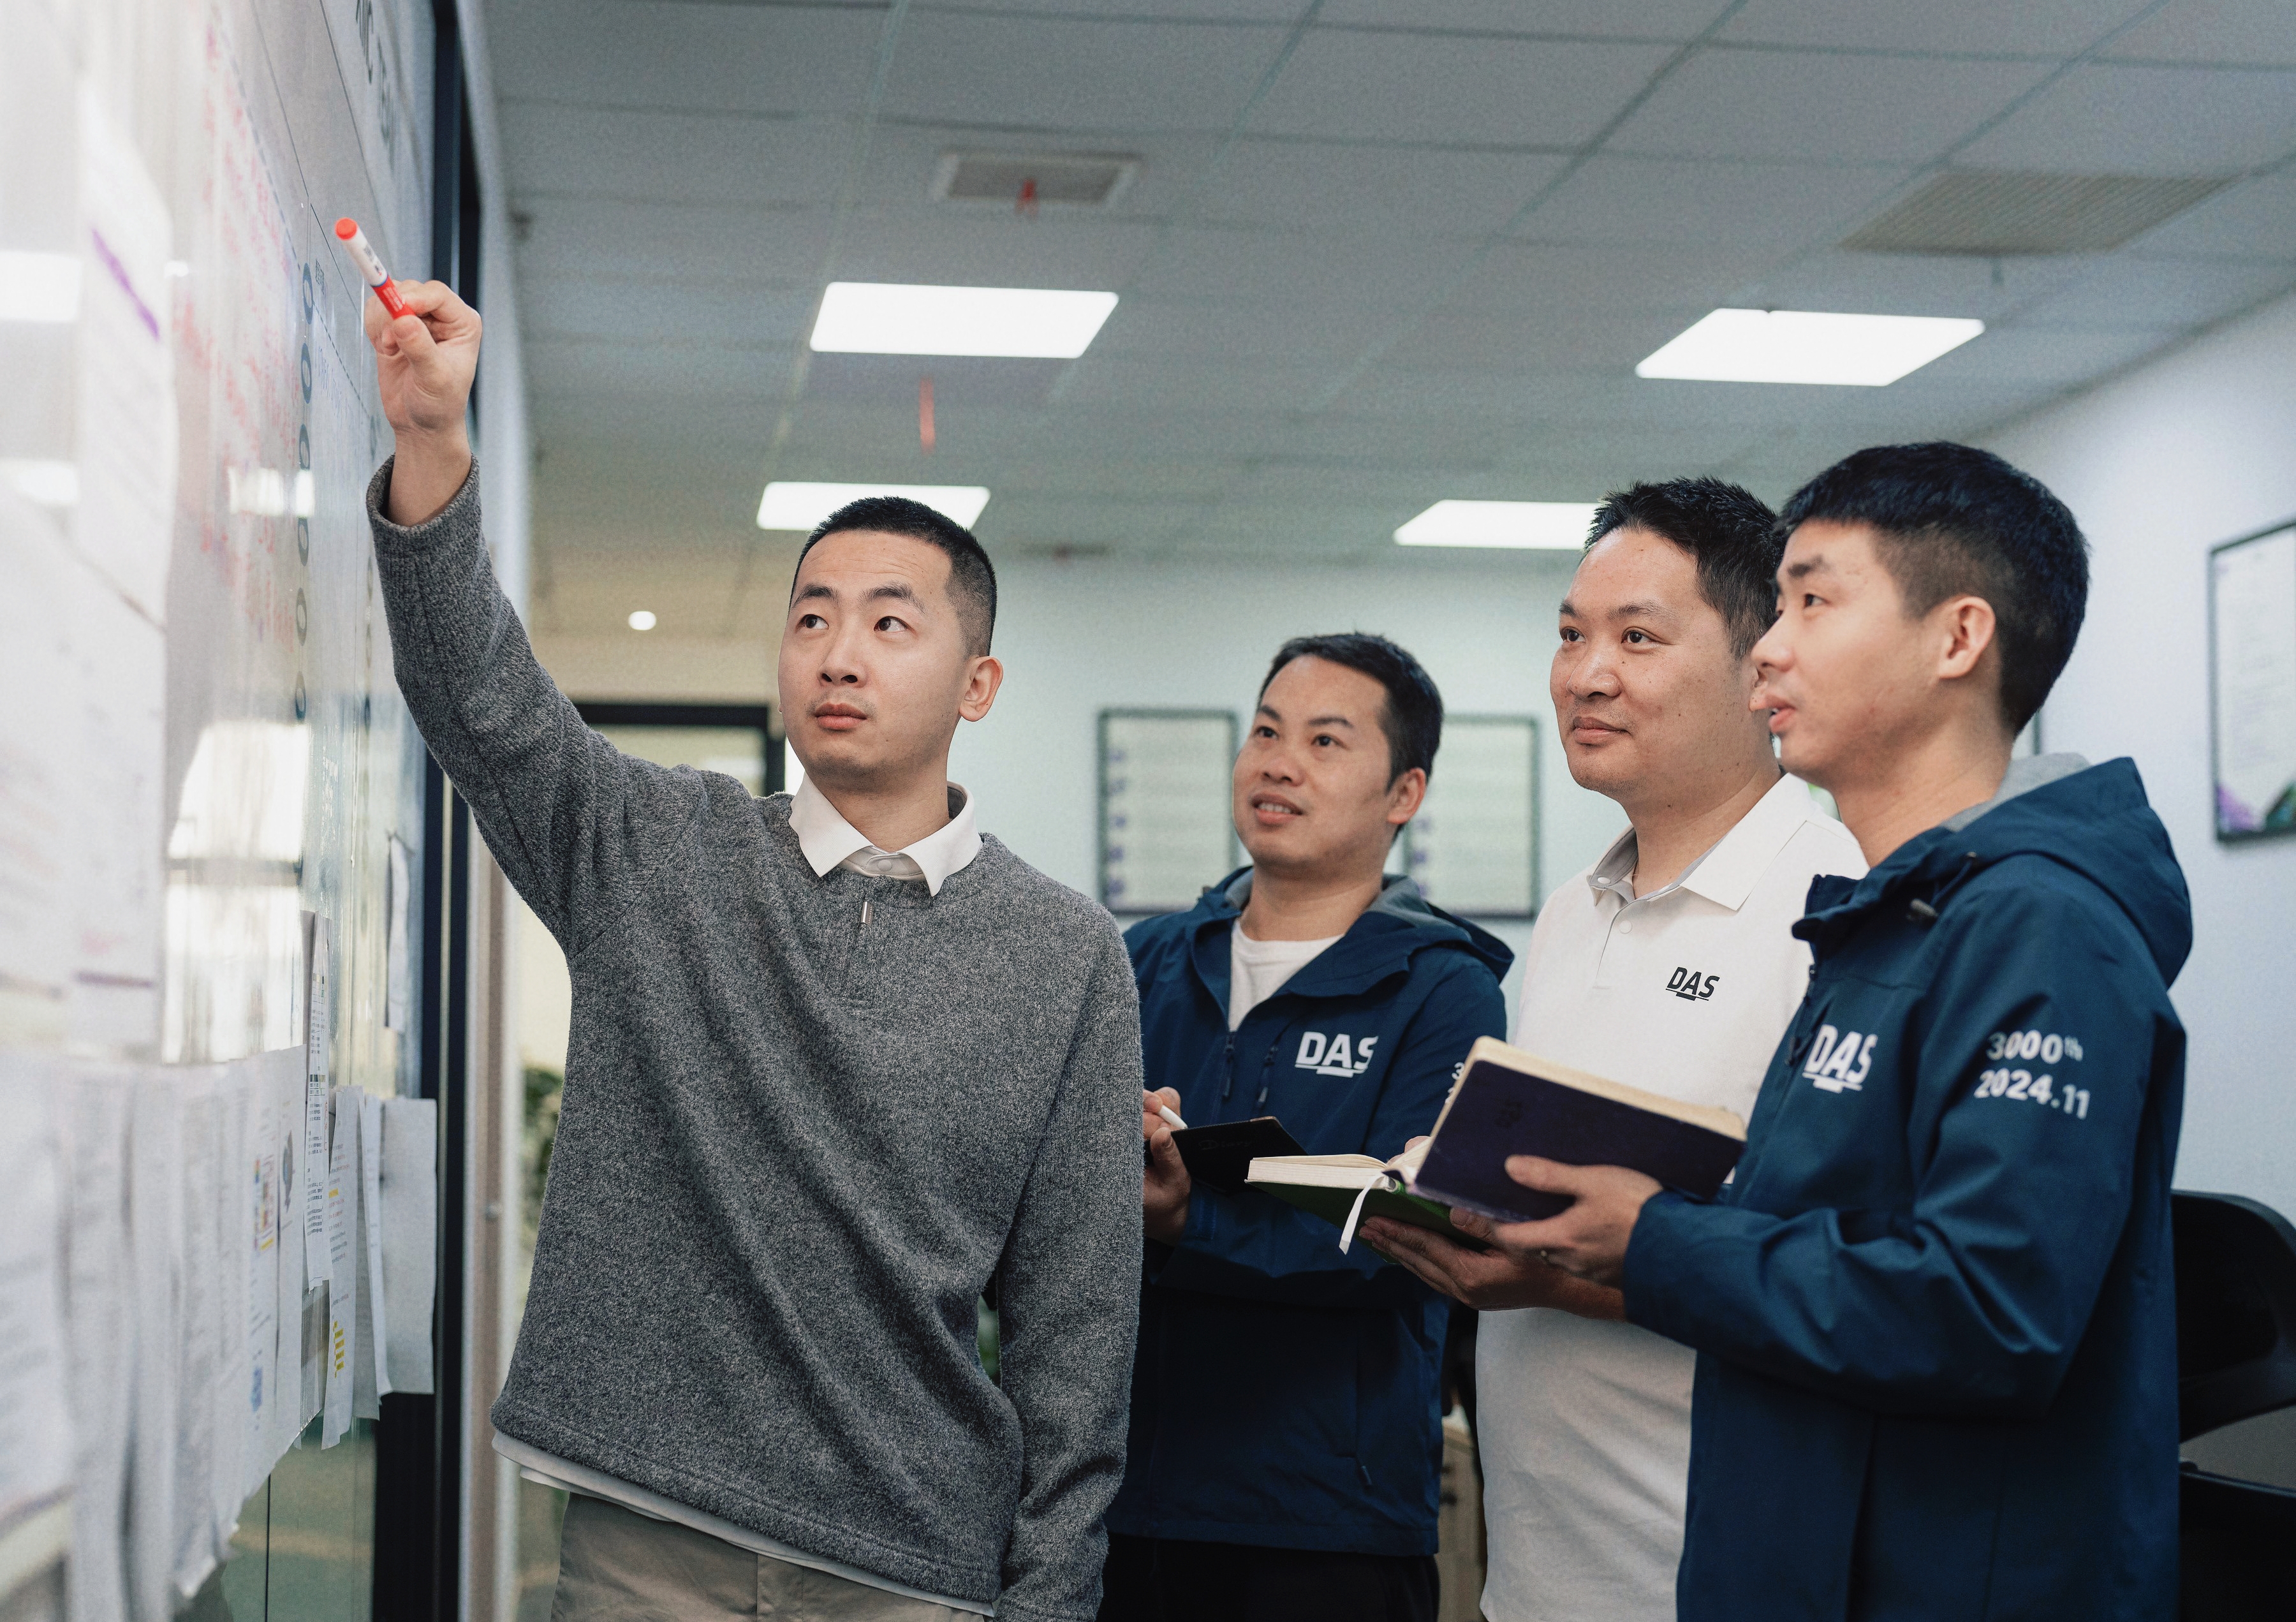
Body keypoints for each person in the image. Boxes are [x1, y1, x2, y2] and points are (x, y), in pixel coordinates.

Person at [361, 280, 1144, 1620]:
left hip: (912, 1563)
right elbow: (479, 699)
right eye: (812, 616)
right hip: (648, 1539)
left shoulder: (1065, 955)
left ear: (978, 684)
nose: (840, 651)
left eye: (891, 622)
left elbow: (1079, 1325)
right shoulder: (657, 849)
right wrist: (435, 444)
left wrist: (1050, 1597)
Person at [1471, 443, 2190, 1619]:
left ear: (1956, 641)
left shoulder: (2040, 927)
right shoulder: (1886, 919)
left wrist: (1652, 1243)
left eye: (1813, 600)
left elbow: (1988, 1311)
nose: (1769, 646)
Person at [1362, 479, 1866, 1622]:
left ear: (1761, 666)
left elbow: (1848, 1274)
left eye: (1639, 638)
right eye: (1572, 635)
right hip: (1539, 1576)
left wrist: (1560, 1277)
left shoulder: (1834, 910)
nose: (1587, 675)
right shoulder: (1573, 909)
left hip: (1710, 1576)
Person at [1102, 634, 1512, 1622]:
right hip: (1127, 1500)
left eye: (1327, 742)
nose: (1279, 762)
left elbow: (1412, 1237)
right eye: (1267, 732)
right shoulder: (1145, 960)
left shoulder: (1445, 993)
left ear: (1403, 795)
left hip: (1328, 1520)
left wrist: (1187, 1220)